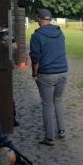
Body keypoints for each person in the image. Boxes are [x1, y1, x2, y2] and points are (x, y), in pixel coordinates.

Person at [30, 9, 68, 146]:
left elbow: (35, 58)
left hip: (46, 74)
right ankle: (62, 130)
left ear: (39, 19)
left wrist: (34, 73)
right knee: (58, 100)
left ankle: (50, 137)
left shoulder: (37, 35)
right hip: (63, 72)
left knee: (47, 104)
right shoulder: (59, 32)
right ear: (50, 19)